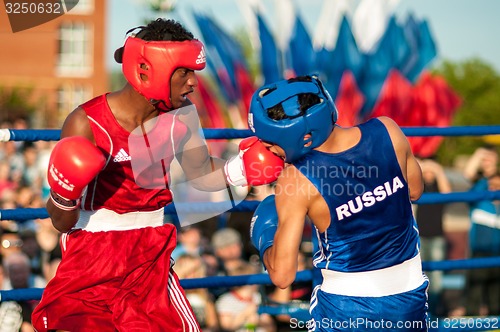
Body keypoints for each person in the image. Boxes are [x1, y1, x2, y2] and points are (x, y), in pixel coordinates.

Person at [31, 18, 283, 332]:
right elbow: (61, 222)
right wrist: (62, 191)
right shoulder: (87, 123)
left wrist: (242, 168)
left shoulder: (180, 114)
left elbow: (202, 173)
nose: (193, 82)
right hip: (91, 253)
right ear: (150, 69)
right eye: (184, 72)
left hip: (150, 252)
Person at [249, 75, 429, 331]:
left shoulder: (296, 180)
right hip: (409, 298)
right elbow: (415, 189)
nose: (268, 151)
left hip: (345, 307)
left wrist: (267, 238)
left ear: (297, 137)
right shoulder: (388, 129)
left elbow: (282, 275)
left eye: (269, 143)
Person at [415, 158, 452, 317]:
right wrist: (421, 167)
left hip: (437, 237)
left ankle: (436, 310)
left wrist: (437, 169)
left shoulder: (439, 187)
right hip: (419, 237)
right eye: (426, 170)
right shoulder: (418, 188)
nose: (429, 173)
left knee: (436, 278)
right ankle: (423, 311)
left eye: (432, 170)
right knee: (418, 276)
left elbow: (448, 194)